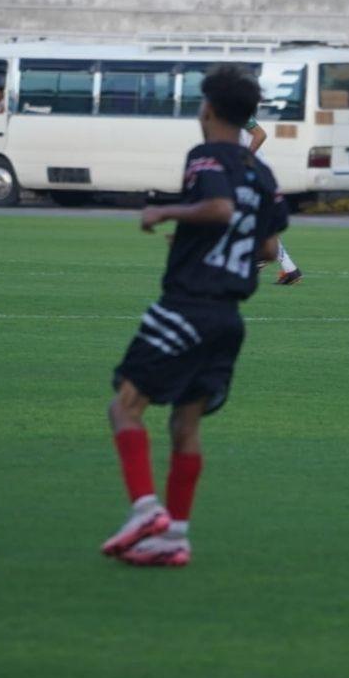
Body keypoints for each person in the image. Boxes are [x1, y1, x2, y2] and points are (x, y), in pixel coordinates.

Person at [100, 64, 288, 567]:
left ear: (207, 110)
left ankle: (144, 511)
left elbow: (221, 209)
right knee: (186, 424)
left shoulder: (205, 156)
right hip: (228, 318)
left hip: (188, 305)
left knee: (125, 408)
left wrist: (166, 213)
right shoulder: (262, 173)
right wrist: (201, 241)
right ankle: (174, 536)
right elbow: (268, 246)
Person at [243, 114, 302, 285]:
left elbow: (260, 134)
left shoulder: (236, 110)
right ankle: (288, 269)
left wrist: (244, 158)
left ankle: (262, 260)